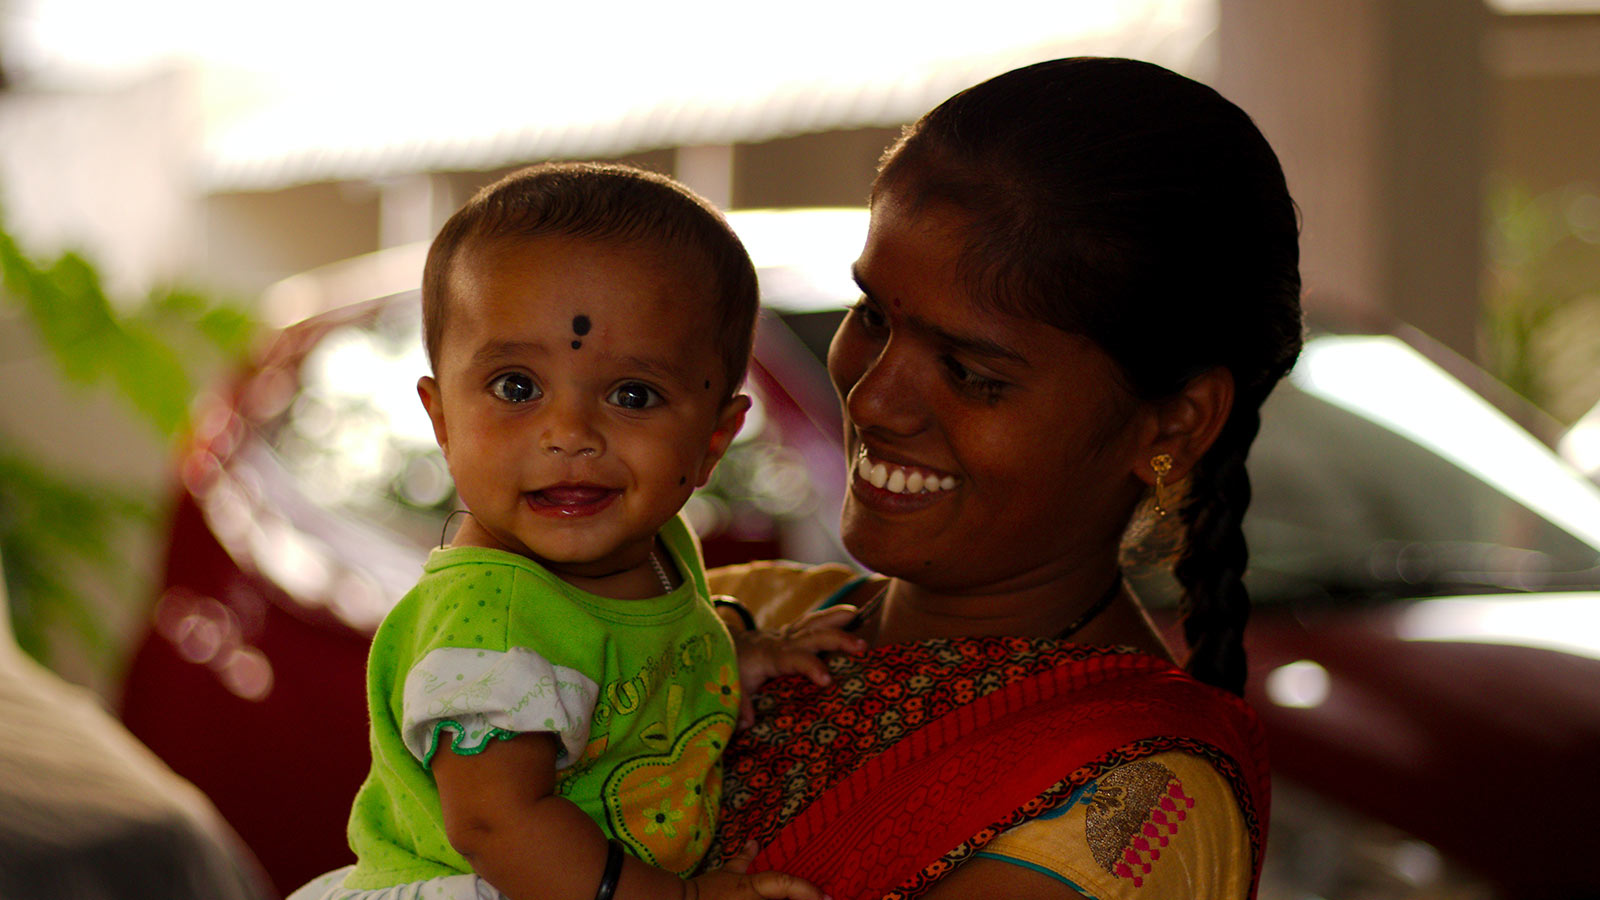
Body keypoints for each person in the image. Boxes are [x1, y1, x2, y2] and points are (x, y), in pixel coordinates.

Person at [703, 57, 1302, 900]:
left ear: (1171, 424)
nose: (873, 397)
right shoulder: (746, 614)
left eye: (970, 373)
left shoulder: (1131, 797)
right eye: (872, 316)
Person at [290, 163, 856, 900]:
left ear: (713, 440)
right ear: (441, 420)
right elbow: (497, 824)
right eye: (516, 387)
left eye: (633, 394)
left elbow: (633, 663)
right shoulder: (493, 624)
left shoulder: (652, 549)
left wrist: (728, 659)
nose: (570, 433)